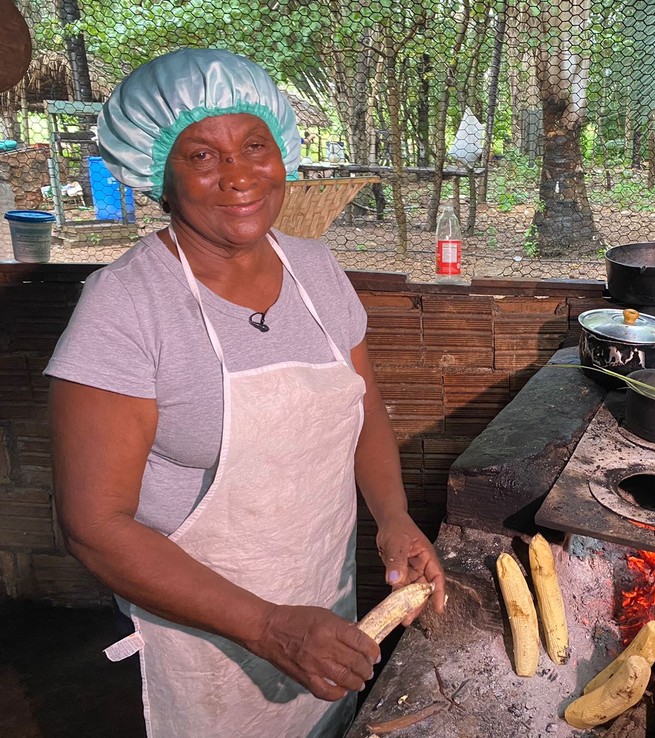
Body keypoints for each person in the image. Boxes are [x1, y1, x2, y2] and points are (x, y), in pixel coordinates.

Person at [46, 48, 445, 738]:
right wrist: (269, 627)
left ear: (282, 153)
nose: (237, 176)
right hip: (203, 630)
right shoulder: (125, 308)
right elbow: (94, 526)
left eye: (254, 146)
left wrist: (394, 517)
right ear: (159, 175)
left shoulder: (317, 270)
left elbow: (364, 409)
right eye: (201, 156)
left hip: (322, 593)